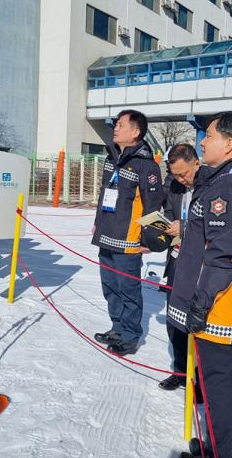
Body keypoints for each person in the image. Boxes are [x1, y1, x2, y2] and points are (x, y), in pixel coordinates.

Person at [167, 112, 232, 458]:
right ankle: (216, 447)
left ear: (229, 144)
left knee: (219, 385)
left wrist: (201, 303)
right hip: (214, 304)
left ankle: (221, 453)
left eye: (208, 136)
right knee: (216, 382)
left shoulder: (228, 189)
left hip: (219, 308)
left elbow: (224, 255)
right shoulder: (219, 183)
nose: (202, 142)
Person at [92, 109, 164, 356]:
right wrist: (97, 222)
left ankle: (130, 336)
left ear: (135, 132)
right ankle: (117, 327)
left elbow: (153, 205)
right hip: (107, 233)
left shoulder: (147, 166)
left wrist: (148, 239)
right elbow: (105, 193)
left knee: (128, 290)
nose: (115, 128)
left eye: (121, 125)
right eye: (116, 124)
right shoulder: (112, 157)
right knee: (109, 286)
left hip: (129, 239)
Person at [158, 143, 203, 391]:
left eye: (184, 173)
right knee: (174, 320)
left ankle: (199, 378)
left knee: (197, 323)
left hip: (201, 266)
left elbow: (214, 224)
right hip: (176, 259)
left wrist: (184, 227)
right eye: (175, 174)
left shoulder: (211, 187)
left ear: (197, 163)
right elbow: (168, 211)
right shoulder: (175, 186)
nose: (181, 179)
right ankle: (180, 370)